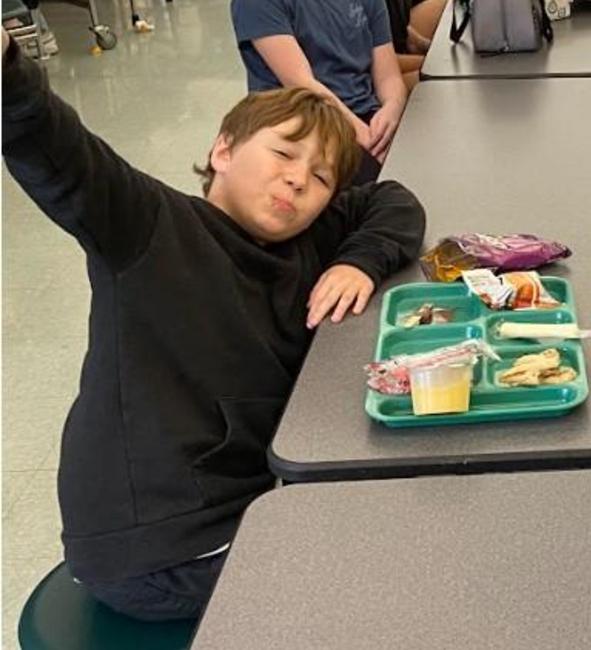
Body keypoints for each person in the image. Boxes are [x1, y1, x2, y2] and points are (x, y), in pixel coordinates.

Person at [0, 29, 425, 620]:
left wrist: (360, 260)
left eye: (323, 177)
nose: (299, 180)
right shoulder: (149, 227)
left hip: (247, 500)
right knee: (400, 571)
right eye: (282, 154)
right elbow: (55, 150)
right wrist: (8, 70)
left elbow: (395, 200)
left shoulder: (309, 236)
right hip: (160, 547)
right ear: (223, 149)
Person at [232, 0, 412, 183]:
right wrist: (370, 142)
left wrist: (393, 107)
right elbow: (301, 83)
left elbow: (389, 76)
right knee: (393, 187)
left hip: (365, 116)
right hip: (303, 121)